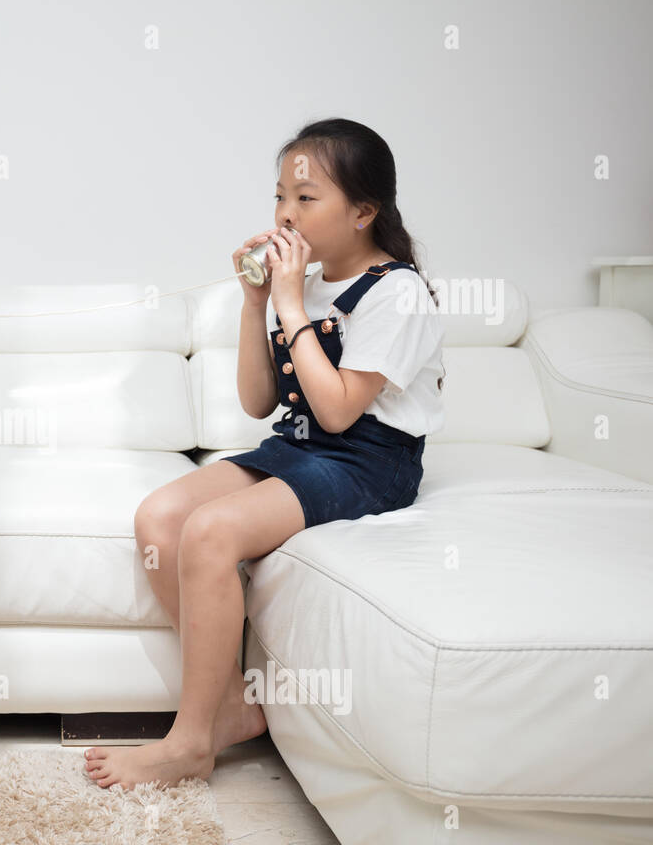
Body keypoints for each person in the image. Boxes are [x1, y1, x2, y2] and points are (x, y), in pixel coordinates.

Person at [85, 118, 446, 791]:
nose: (286, 214)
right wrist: (258, 305)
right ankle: (229, 707)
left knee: (213, 531)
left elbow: (340, 408)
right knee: (161, 516)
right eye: (281, 196)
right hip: (300, 444)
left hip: (368, 460)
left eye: (306, 199)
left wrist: (289, 300)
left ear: (363, 211)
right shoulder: (301, 286)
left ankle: (189, 744)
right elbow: (258, 403)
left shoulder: (397, 292)